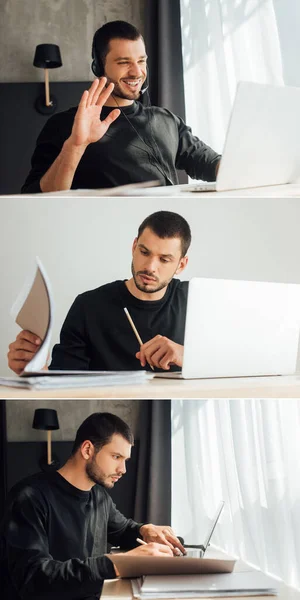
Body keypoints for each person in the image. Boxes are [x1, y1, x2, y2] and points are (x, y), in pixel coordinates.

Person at [0, 412, 185, 599]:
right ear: (87, 449)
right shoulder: (28, 497)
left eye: (125, 460)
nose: (123, 470)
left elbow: (122, 530)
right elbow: (34, 579)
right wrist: (117, 563)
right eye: (116, 457)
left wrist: (145, 530)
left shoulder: (99, 496)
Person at [21, 20, 221, 193]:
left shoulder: (166, 120)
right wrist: (76, 145)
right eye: (124, 62)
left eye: (141, 61)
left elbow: (211, 164)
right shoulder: (64, 125)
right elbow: (36, 198)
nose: (136, 72)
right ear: (98, 67)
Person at [8, 211, 191, 373]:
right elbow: (64, 382)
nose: (150, 267)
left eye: (164, 260)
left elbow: (220, 359)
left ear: (181, 265)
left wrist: (189, 355)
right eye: (144, 252)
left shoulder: (196, 300)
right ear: (134, 247)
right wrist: (34, 368)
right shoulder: (88, 306)